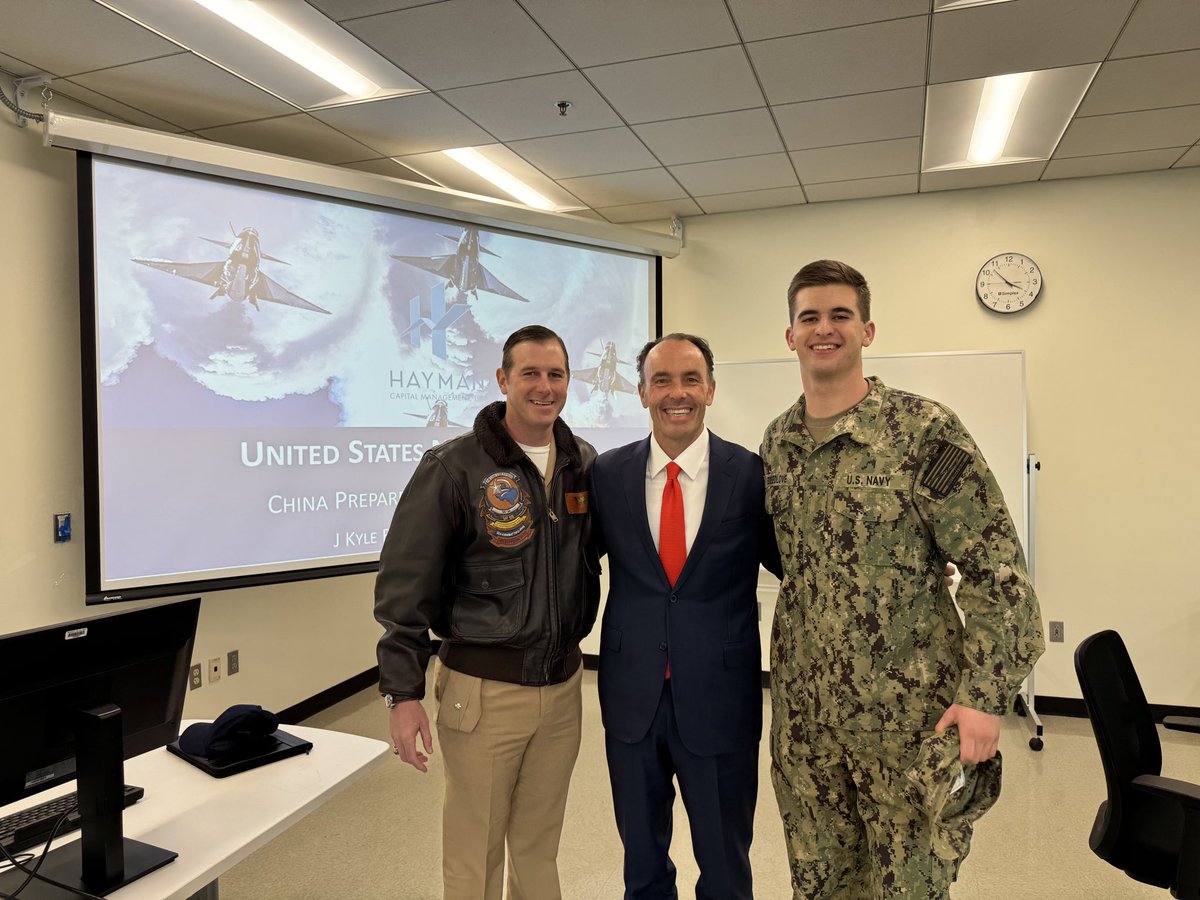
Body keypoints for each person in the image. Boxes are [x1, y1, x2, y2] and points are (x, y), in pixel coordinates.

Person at [761, 260, 1045, 899]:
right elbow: (798, 565)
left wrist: (984, 694)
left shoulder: (923, 432)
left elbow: (997, 573)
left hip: (911, 724)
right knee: (820, 886)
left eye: (840, 315)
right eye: (810, 317)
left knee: (910, 890)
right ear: (790, 336)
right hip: (809, 727)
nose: (824, 329)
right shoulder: (777, 446)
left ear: (867, 330)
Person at [374, 325, 600, 900]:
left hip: (562, 688)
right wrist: (403, 695)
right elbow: (405, 590)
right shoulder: (453, 468)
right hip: (482, 691)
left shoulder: (582, 463)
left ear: (568, 382)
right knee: (474, 855)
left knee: (539, 849)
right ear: (503, 380)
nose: (543, 386)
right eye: (530, 373)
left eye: (555, 374)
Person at [590, 333, 781, 900]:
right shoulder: (608, 475)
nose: (678, 393)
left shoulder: (749, 475)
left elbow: (803, 561)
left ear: (712, 390)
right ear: (643, 392)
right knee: (642, 864)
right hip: (632, 700)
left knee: (725, 865)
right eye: (663, 380)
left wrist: (908, 572)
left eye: (691, 379)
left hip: (720, 699)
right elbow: (566, 563)